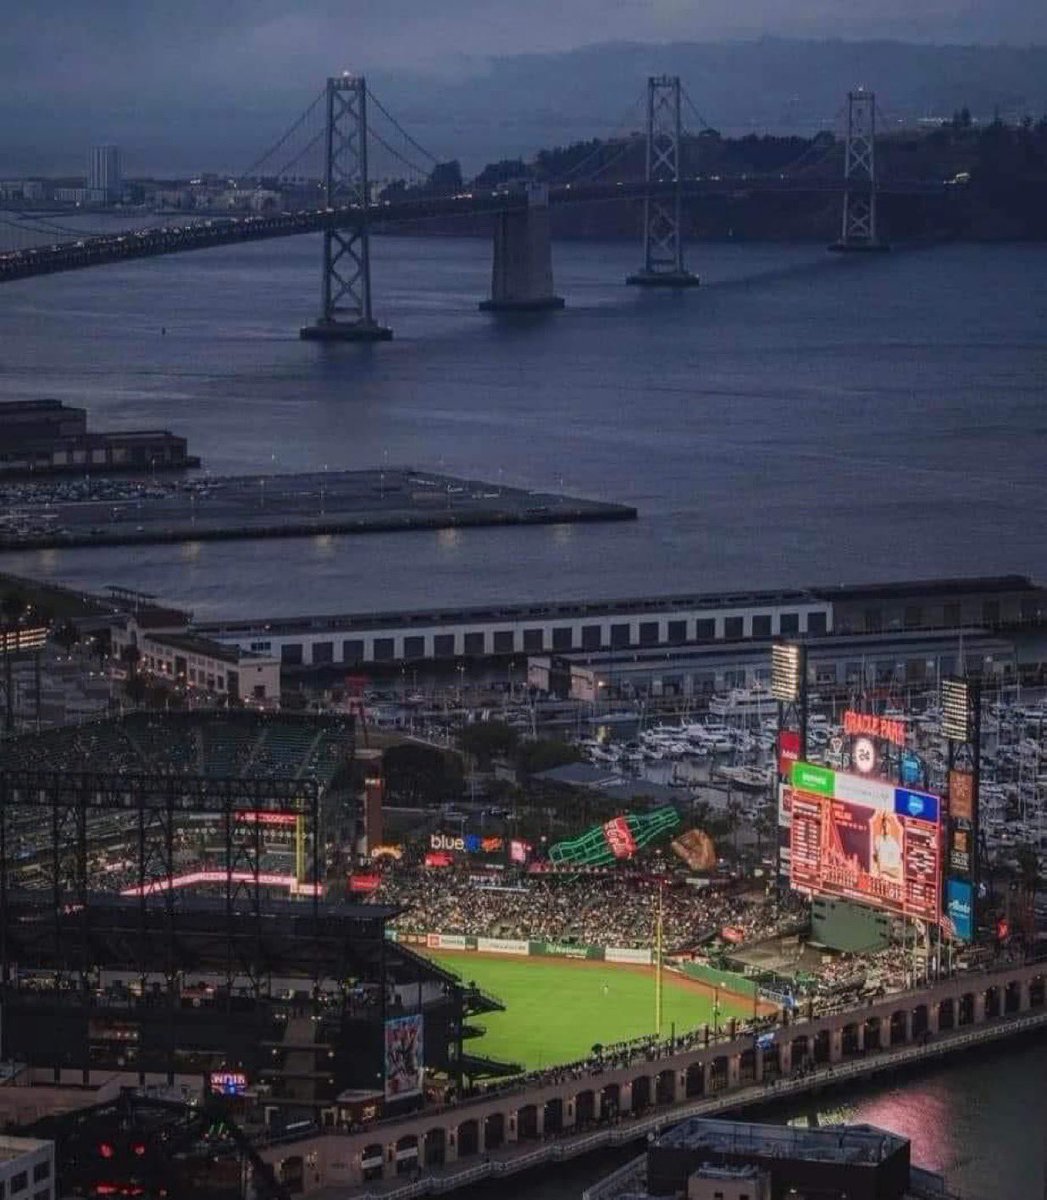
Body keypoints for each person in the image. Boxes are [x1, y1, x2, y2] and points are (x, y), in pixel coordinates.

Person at [870, 810, 904, 883]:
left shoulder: (894, 845)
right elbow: (874, 861)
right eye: (883, 825)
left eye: (886, 825)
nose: (885, 827)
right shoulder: (878, 840)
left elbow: (896, 871)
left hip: (891, 879)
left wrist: (883, 870)